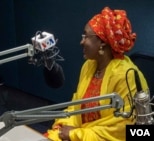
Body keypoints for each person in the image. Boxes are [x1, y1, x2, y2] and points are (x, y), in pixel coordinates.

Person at [44, 7, 149, 141]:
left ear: (103, 42)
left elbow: (122, 130)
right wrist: (64, 124)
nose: (81, 42)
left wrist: (74, 135)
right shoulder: (89, 65)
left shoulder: (127, 76)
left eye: (86, 36)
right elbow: (76, 106)